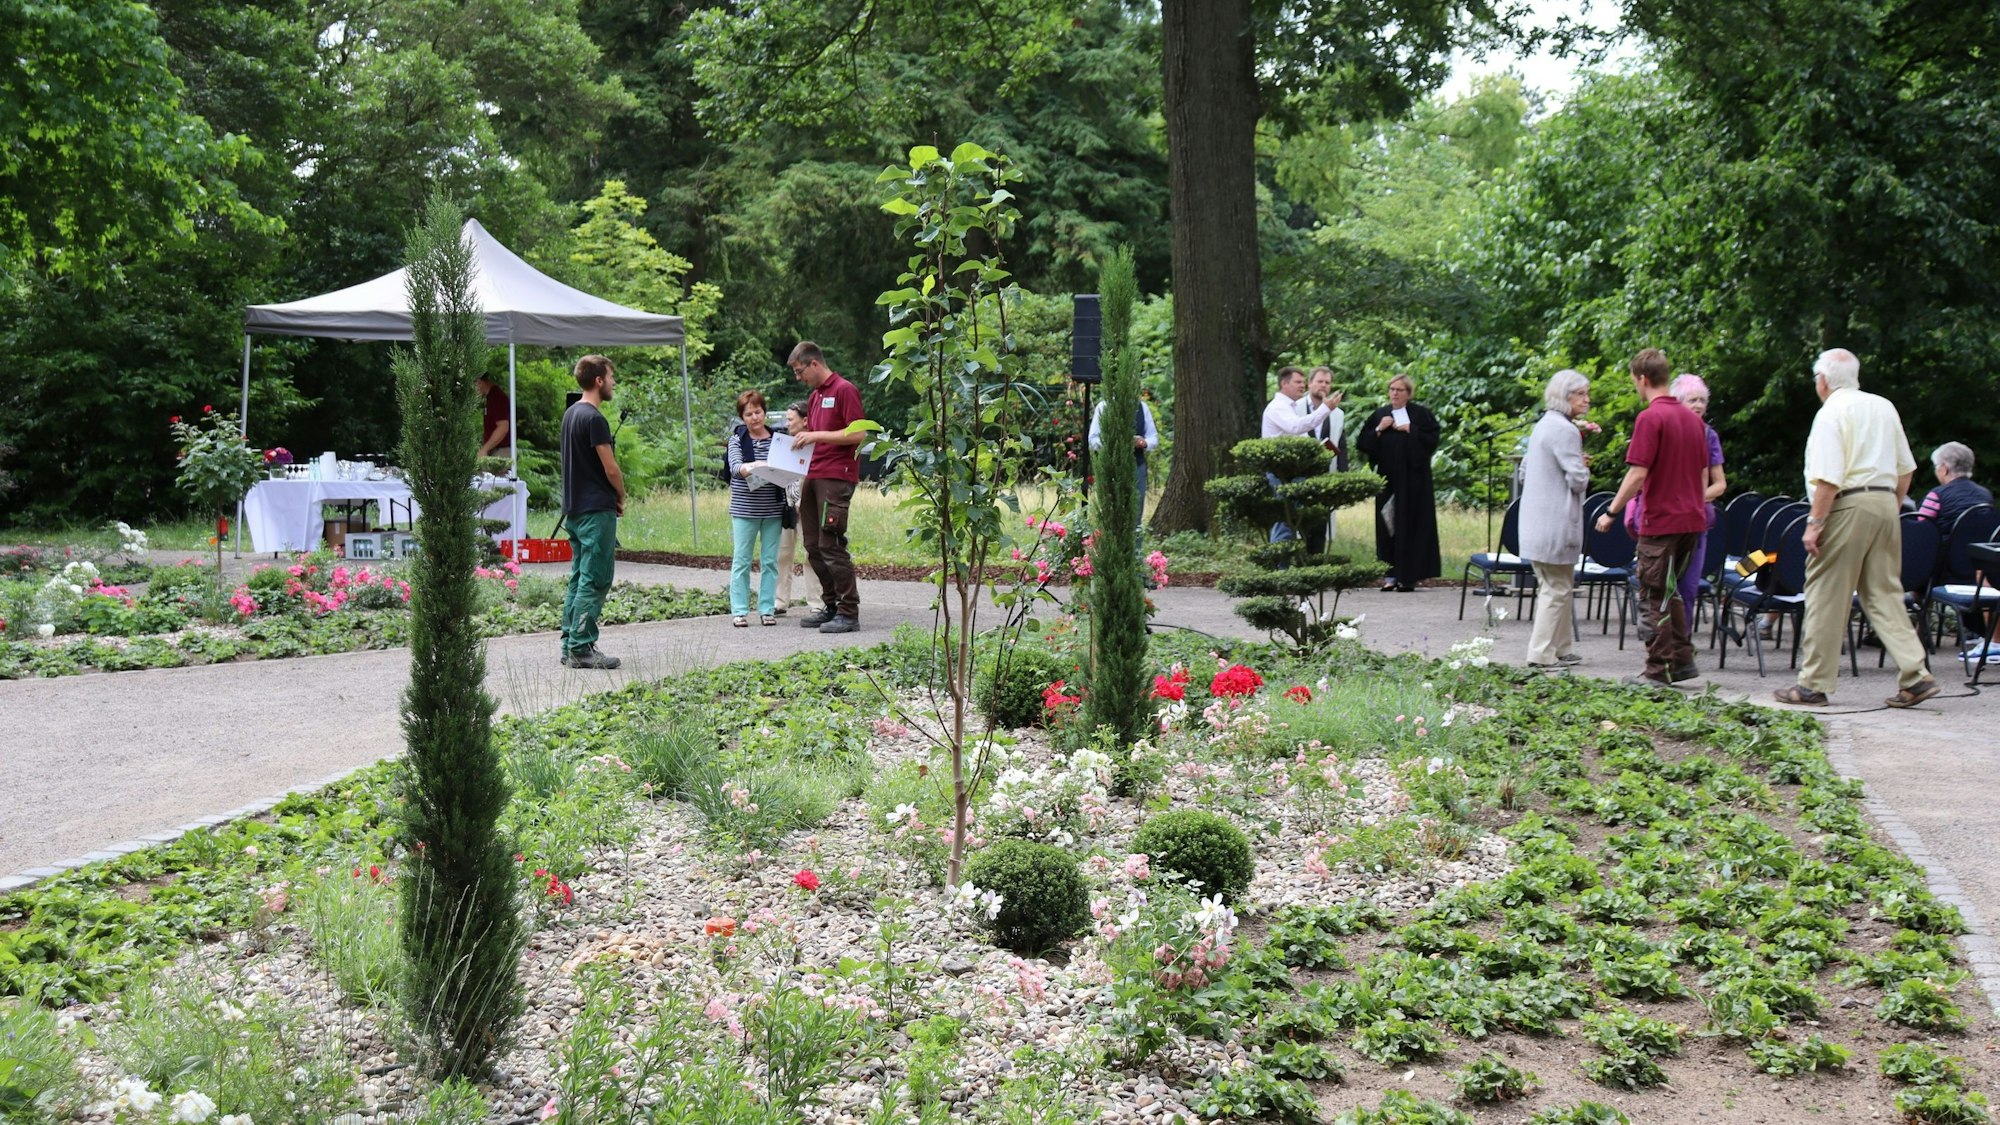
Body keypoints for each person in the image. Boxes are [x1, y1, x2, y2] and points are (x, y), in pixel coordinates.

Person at [1774, 349, 1940, 708]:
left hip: (1846, 504)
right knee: (1884, 592)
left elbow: (1828, 478)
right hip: (1885, 502)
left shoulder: (1830, 412)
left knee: (1825, 592)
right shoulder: (1883, 406)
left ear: (1823, 381)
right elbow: (1906, 470)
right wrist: (1890, 506)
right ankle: (1916, 675)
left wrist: (1814, 524)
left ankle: (1812, 685)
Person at [1594, 349, 1707, 689]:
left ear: (1642, 379)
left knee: (1653, 594)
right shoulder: (1693, 420)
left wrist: (1612, 511)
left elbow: (1637, 473)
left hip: (1661, 521)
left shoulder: (1650, 418)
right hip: (1693, 521)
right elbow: (1702, 474)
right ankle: (1682, 661)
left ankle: (1657, 672)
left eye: (1634, 380)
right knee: (1673, 593)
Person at [788, 341, 866, 634]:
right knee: (812, 546)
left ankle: (849, 611)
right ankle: (831, 606)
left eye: (800, 371)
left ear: (814, 364)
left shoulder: (844, 390)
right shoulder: (815, 396)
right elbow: (816, 436)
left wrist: (815, 435)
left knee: (830, 544)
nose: (799, 378)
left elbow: (859, 433)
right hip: (813, 473)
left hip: (836, 476)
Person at [1520, 370, 1593, 669]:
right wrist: (1584, 468)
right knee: (1557, 588)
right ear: (1564, 396)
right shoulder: (1565, 430)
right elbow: (1577, 480)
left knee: (1556, 584)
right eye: (1581, 394)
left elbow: (1524, 472)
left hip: (1535, 522)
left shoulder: (1543, 425)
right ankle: (1540, 653)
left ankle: (1561, 647)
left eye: (1587, 394)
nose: (1587, 400)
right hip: (1555, 523)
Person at [558, 355, 624, 669]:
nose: (613, 383)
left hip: (574, 509)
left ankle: (569, 643)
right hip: (596, 510)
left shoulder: (571, 413)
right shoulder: (595, 419)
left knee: (578, 578)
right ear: (598, 380)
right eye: (611, 377)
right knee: (595, 579)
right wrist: (621, 495)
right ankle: (581, 646)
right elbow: (610, 468)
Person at [1356, 374, 1441, 591]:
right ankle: (1390, 575)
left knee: (1411, 525)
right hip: (1388, 480)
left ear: (1408, 394)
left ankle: (1409, 577)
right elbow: (1363, 444)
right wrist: (1378, 430)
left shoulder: (1420, 414)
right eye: (1392, 389)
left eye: (1399, 390)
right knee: (1387, 525)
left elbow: (1432, 442)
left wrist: (1411, 430)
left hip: (1414, 482)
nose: (1394, 393)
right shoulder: (1380, 414)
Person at [1671, 374, 1727, 638]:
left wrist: (1694, 498)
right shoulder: (1667, 430)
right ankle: (1662, 643)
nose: (1698, 405)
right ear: (1679, 402)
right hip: (1666, 518)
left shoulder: (1708, 435)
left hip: (1696, 520)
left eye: (1702, 400)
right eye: (1692, 400)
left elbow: (1720, 485)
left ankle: (1682, 642)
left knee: (1688, 586)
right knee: (1664, 584)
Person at [726, 390, 786, 627]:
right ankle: (739, 611)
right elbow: (735, 467)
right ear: (742, 417)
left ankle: (767, 609)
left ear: (764, 412)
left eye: (758, 412)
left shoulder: (778, 439)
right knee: (742, 560)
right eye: (748, 414)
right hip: (744, 510)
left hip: (773, 509)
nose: (754, 418)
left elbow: (786, 467)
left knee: (770, 561)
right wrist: (755, 466)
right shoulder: (737, 440)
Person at [1261, 366, 1335, 545]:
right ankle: (1280, 561)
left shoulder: (1289, 407)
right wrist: (1324, 409)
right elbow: (1295, 427)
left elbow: (1301, 438)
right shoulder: (1278, 407)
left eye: (1303, 382)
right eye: (1298, 382)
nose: (1303, 386)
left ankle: (1286, 559)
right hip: (1280, 472)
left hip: (1292, 472)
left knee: (1291, 520)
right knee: (1284, 521)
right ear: (1284, 384)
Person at [1087, 396, 1160, 528]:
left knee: (1136, 514)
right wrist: (1112, 442)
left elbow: (1153, 438)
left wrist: (1143, 442)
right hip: (1111, 467)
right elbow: (1093, 440)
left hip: (1137, 466)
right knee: (1110, 513)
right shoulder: (1104, 406)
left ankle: (1135, 541)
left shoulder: (1142, 407)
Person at [1302, 366, 1346, 554]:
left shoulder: (1338, 414)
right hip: (1299, 475)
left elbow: (1341, 444)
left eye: (1327, 383)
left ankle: (1317, 560)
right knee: (1299, 523)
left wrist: (1342, 475)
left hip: (1325, 475)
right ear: (1309, 383)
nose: (1324, 385)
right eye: (1319, 381)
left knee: (1321, 523)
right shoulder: (1295, 408)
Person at [773, 401, 808, 614]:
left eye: (790, 419)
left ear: (805, 421)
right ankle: (779, 601)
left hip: (807, 506)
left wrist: (802, 502)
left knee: (811, 554)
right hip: (785, 506)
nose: (787, 424)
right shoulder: (782, 444)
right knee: (782, 553)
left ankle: (817, 602)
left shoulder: (815, 444)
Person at [1915, 442, 1992, 527]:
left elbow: (1921, 527)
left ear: (1944, 469)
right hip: (1981, 536)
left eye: (1936, 466)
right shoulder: (1986, 494)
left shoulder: (1936, 495)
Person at [475, 374, 511, 459]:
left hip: (501, 451)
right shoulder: (490, 397)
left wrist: (485, 449)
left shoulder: (497, 397)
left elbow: (503, 427)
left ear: (479, 382)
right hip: (494, 450)